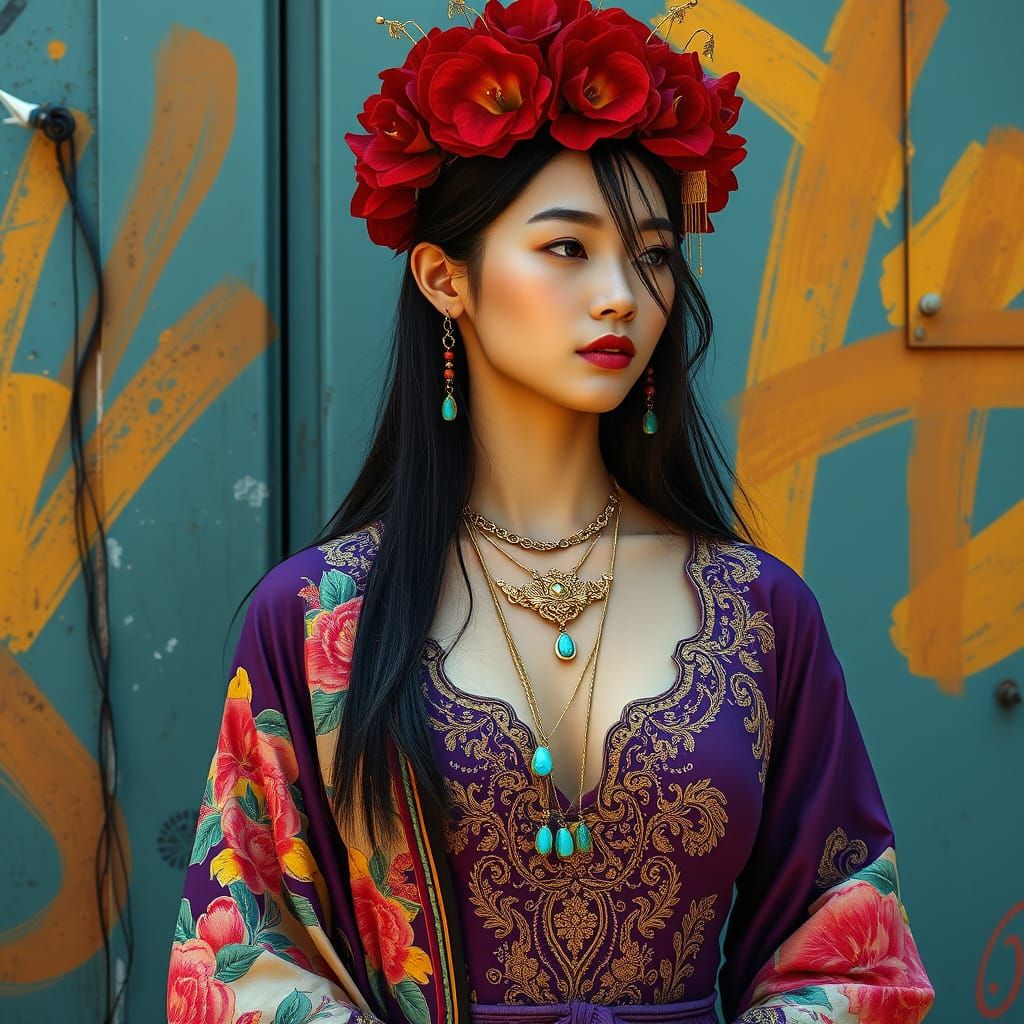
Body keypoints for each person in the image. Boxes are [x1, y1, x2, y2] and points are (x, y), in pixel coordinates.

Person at [168, 2, 935, 1022]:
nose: (622, 294)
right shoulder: (315, 621)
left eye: (653, 253)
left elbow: (854, 954)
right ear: (446, 276)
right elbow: (241, 965)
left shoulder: (758, 615)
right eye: (567, 249)